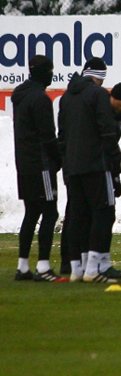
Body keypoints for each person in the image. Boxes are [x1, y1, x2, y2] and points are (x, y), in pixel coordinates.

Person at [58, 57, 121, 283]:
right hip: (96, 164)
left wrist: (66, 164)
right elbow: (107, 131)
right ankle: (93, 269)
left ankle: (77, 269)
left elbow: (62, 135)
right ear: (100, 77)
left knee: (77, 216)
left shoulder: (66, 97)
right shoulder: (99, 94)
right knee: (103, 213)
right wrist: (115, 163)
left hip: (72, 166)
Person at [12, 55, 65, 282]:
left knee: (31, 212)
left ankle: (23, 266)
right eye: (50, 71)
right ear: (44, 72)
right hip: (41, 164)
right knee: (50, 212)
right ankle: (43, 266)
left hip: (24, 163)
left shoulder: (20, 95)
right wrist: (58, 160)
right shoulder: (40, 99)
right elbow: (47, 136)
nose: (52, 75)